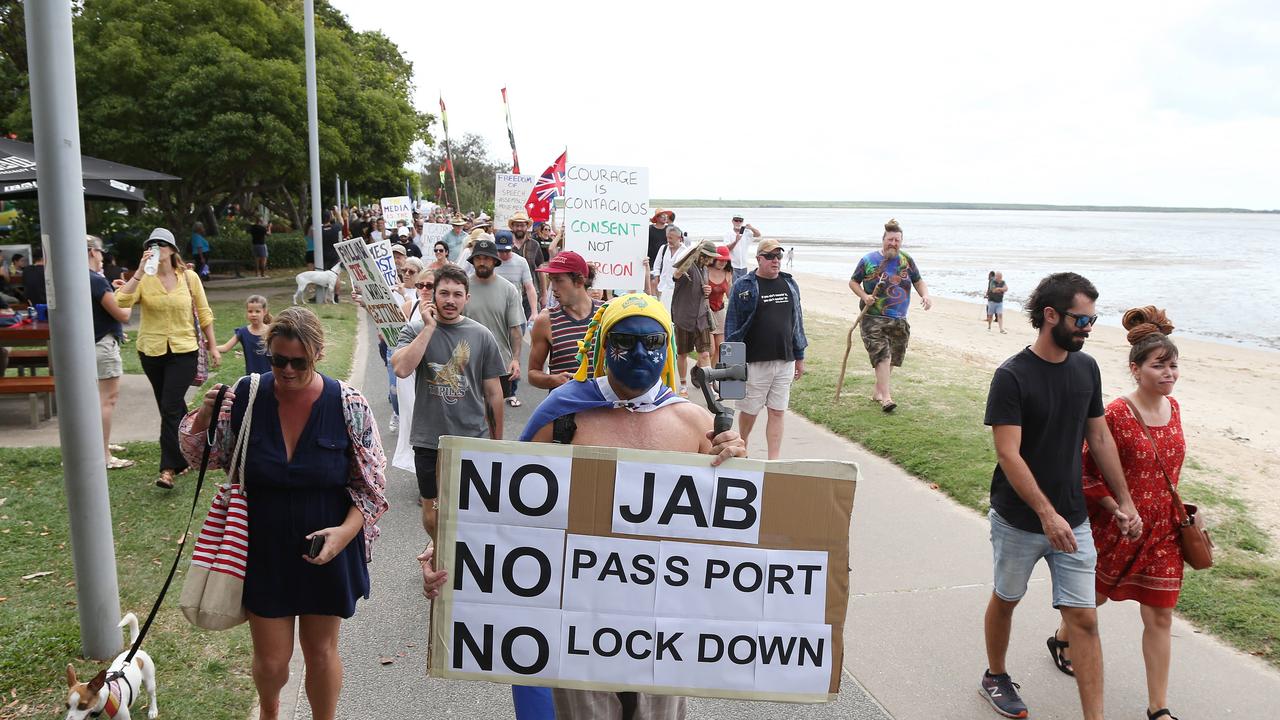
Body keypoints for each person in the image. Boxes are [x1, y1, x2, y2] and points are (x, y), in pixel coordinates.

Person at [419, 292, 747, 720]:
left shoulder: (697, 423)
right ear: (601, 345)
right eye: (625, 341)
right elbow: (502, 510)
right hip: (576, 622)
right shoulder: (564, 416)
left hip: (663, 627)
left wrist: (739, 462)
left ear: (667, 346)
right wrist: (450, 551)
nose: (640, 353)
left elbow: (732, 529)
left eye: (652, 342)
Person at [180, 306, 388, 720]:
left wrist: (345, 534)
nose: (287, 371)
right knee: (273, 662)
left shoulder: (348, 403)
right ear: (268, 353)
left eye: (299, 362)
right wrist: (203, 416)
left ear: (318, 355)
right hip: (263, 547)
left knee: (322, 650)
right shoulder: (246, 396)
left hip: (328, 546)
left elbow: (372, 487)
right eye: (278, 360)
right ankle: (270, 712)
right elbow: (200, 455)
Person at [981, 271, 1142, 720]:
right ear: (1050, 315)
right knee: (1006, 598)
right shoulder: (1012, 376)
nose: (1088, 329)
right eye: (1081, 320)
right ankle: (995, 675)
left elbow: (1101, 437)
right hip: (1019, 519)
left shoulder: (1086, 368)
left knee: (1085, 620)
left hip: (1074, 520)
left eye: (1093, 320)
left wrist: (1124, 500)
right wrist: (1045, 514)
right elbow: (1009, 454)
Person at [1049, 306, 1186, 720]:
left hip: (1163, 530)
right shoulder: (1116, 414)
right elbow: (1085, 472)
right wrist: (1116, 508)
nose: (1169, 373)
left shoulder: (1174, 408)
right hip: (1116, 528)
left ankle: (1158, 708)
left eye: (1174, 365)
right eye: (1159, 365)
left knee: (1160, 615)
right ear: (1135, 368)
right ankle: (1061, 638)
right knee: (1092, 602)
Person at [391, 265, 505, 540]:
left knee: (468, 508)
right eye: (444, 293)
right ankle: (440, 549)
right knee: (431, 509)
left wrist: (497, 443)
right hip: (429, 438)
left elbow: (494, 393)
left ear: (467, 298)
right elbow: (402, 369)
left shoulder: (481, 335)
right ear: (433, 295)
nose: (450, 300)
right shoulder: (416, 329)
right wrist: (429, 328)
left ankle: (456, 557)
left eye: (457, 294)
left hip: (471, 437)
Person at [114, 227, 221, 489]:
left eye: (162, 244)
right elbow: (121, 302)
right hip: (151, 351)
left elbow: (204, 313)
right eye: (151, 244)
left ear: (173, 249)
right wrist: (138, 273)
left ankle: (167, 468)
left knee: (171, 405)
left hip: (184, 350)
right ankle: (192, 450)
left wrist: (213, 346)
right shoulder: (144, 279)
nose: (156, 248)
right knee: (170, 407)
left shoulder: (189, 277)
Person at [724, 239, 807, 460]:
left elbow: (797, 321)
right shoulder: (744, 286)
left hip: (785, 360)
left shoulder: (789, 284)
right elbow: (732, 324)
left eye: (778, 256)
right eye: (770, 256)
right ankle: (742, 447)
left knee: (778, 411)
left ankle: (774, 461)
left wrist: (800, 355)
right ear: (759, 258)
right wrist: (729, 365)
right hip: (755, 361)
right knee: (750, 411)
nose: (776, 261)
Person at [847, 218, 932, 413]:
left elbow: (918, 281)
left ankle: (878, 391)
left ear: (901, 242)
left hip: (899, 318)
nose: (893, 243)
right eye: (890, 239)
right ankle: (886, 398)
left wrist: (925, 295)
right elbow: (853, 282)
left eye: (897, 240)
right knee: (882, 356)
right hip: (872, 318)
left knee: (892, 356)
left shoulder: (906, 260)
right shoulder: (868, 260)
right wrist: (865, 296)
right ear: (883, 240)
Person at [88, 235, 134, 470]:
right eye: (100, 251)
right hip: (102, 345)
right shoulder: (96, 280)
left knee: (94, 399)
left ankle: (98, 445)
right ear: (90, 252)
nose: (103, 256)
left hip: (89, 344)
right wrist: (129, 296)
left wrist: (114, 293)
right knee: (108, 399)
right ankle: (103, 455)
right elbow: (123, 314)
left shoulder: (80, 277)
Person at [464, 238, 526, 409]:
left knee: (493, 413)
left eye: (486, 258)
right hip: (467, 362)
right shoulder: (462, 288)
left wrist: (515, 359)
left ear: (494, 261)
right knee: (469, 412)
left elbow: (515, 329)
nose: (482, 262)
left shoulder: (508, 290)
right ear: (473, 260)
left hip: (499, 362)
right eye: (478, 258)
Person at [528, 251, 601, 390]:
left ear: (580, 281)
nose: (553, 288)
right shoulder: (545, 320)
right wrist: (553, 380)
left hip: (603, 408)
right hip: (564, 408)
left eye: (559, 280)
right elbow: (532, 374)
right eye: (551, 280)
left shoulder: (606, 312)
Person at [670, 239, 718, 395]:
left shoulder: (704, 269)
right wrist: (691, 253)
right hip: (684, 316)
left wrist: (708, 291)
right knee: (683, 353)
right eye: (709, 256)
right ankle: (683, 385)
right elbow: (676, 275)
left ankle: (709, 387)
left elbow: (701, 290)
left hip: (701, 317)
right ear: (701, 254)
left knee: (705, 353)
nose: (711, 260)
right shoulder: (687, 266)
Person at [217, 295, 272, 375]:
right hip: (252, 378)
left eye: (257, 311)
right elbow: (225, 348)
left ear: (265, 312)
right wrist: (206, 346)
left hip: (271, 376)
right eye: (250, 311)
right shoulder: (242, 332)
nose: (253, 314)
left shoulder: (272, 331)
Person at [494, 231, 540, 320]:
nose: (504, 254)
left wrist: (534, 312)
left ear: (512, 245)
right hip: (496, 314)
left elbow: (529, 287)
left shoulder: (521, 262)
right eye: (500, 250)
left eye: (507, 250)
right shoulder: (491, 262)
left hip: (516, 314)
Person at [509, 211, 547, 306]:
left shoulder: (534, 245)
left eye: (522, 225)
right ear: (512, 227)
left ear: (527, 227)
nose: (519, 228)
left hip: (531, 294)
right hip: (510, 295)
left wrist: (544, 294)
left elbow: (541, 271)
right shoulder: (506, 246)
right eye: (517, 225)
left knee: (533, 319)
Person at [649, 225, 689, 312]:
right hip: (662, 287)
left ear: (679, 238)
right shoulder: (663, 248)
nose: (668, 240)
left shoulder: (685, 251)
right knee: (662, 312)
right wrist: (656, 279)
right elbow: (657, 265)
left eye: (671, 238)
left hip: (676, 288)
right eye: (667, 238)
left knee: (673, 312)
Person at [706, 245, 732, 366]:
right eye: (721, 259)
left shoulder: (728, 273)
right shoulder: (705, 270)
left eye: (726, 260)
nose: (723, 262)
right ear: (714, 258)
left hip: (720, 312)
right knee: (710, 350)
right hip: (707, 312)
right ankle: (698, 369)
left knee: (720, 349)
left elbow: (729, 294)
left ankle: (711, 377)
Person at [724, 215, 761, 281]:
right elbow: (727, 249)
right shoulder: (728, 233)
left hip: (743, 266)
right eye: (736, 220)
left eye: (740, 220)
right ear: (732, 221)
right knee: (733, 286)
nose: (738, 222)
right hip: (732, 265)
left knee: (743, 287)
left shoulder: (746, 232)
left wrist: (751, 228)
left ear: (742, 222)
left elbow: (758, 235)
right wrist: (736, 241)